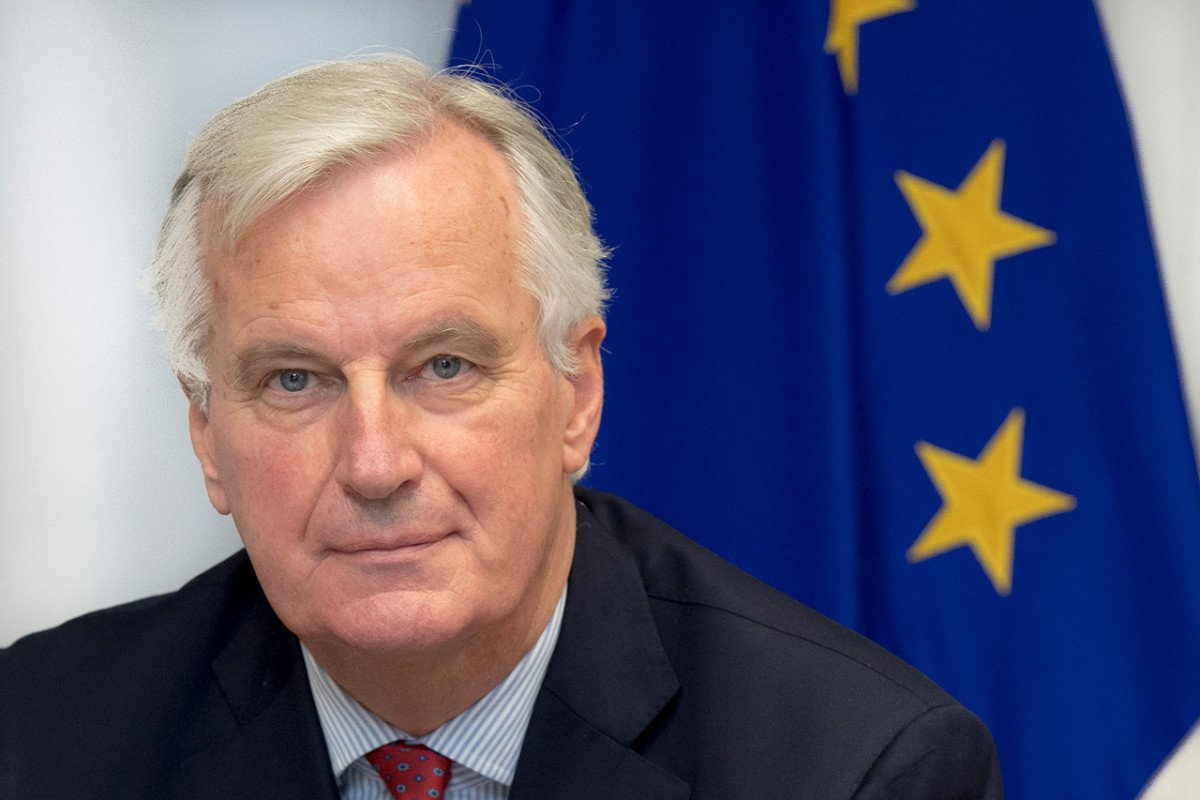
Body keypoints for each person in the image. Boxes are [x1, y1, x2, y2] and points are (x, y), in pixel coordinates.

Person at [0, 56, 1002, 798]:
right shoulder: (37, 740)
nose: (376, 463)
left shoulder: (854, 768)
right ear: (206, 433)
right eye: (295, 379)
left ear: (578, 392)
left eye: (445, 367)